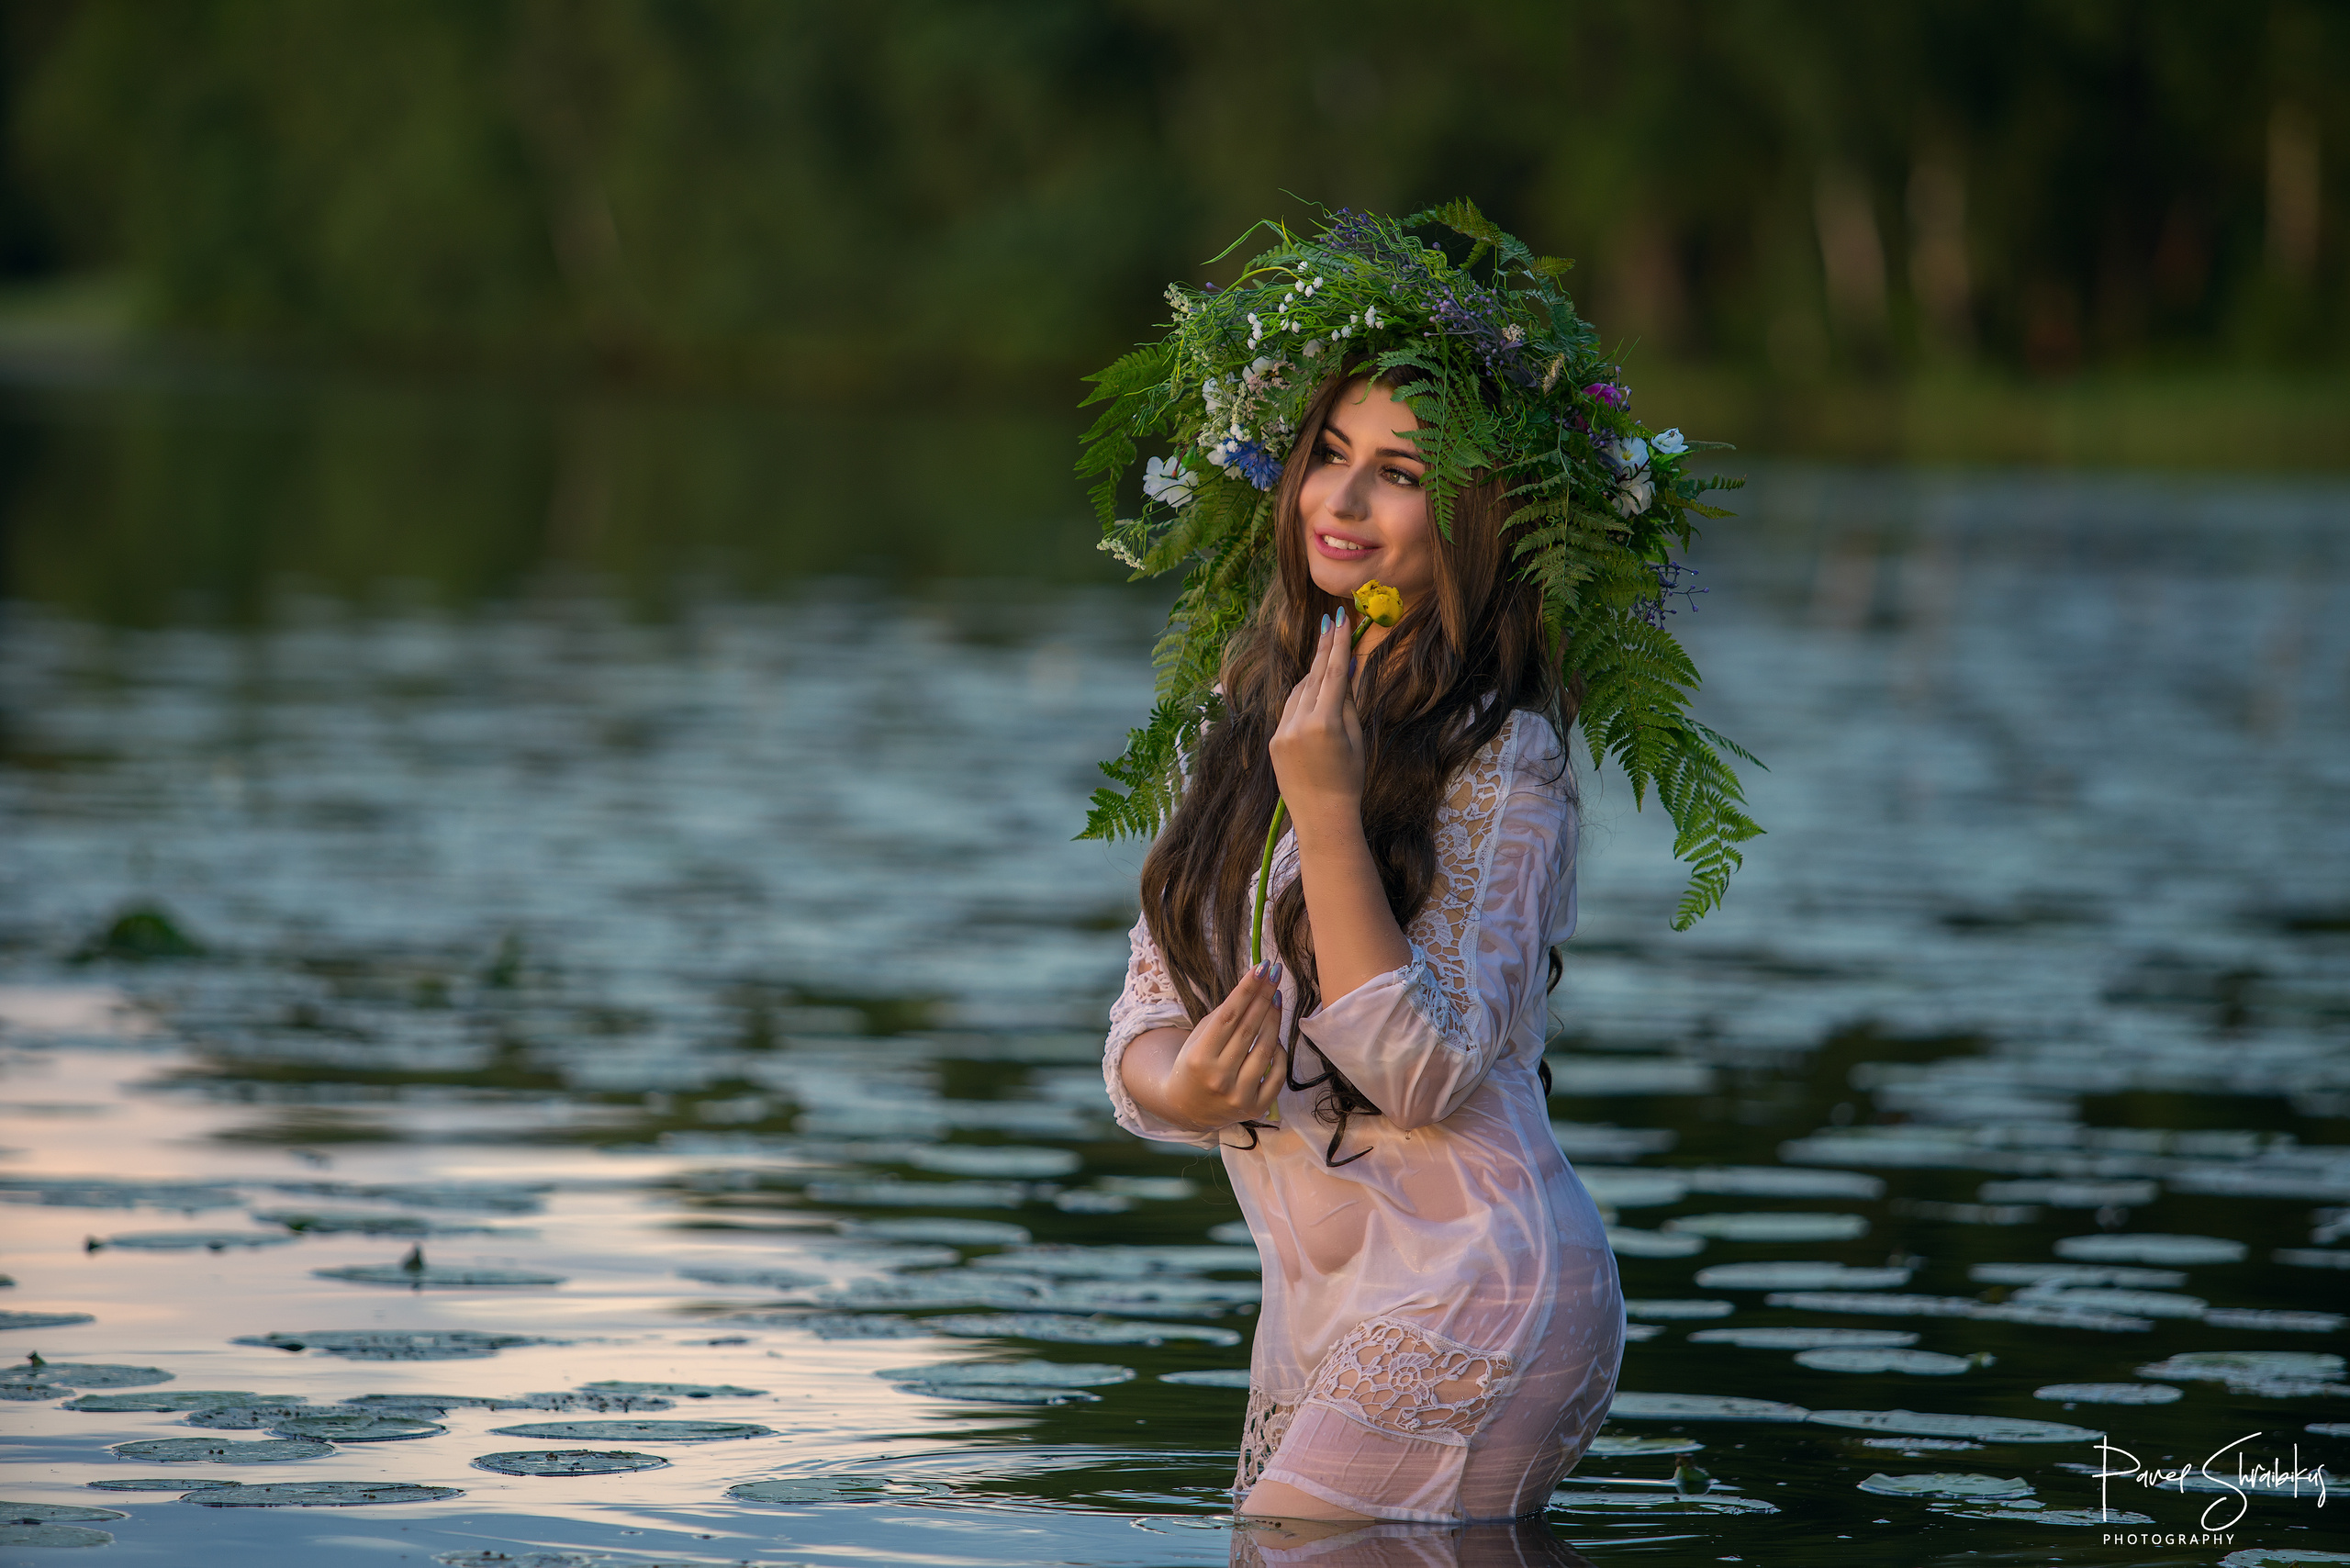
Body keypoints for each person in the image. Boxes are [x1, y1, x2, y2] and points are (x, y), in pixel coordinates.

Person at [1083, 205, 1750, 1528]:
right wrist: (1183, 1082)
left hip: (1478, 1283)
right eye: (1328, 453)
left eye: (1400, 470)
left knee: (1286, 1548)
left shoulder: (1505, 760)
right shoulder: (1241, 718)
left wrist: (1326, 814)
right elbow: (1148, 1014)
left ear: (1476, 515)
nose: (1342, 497)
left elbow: (1424, 1070)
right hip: (1320, 1299)